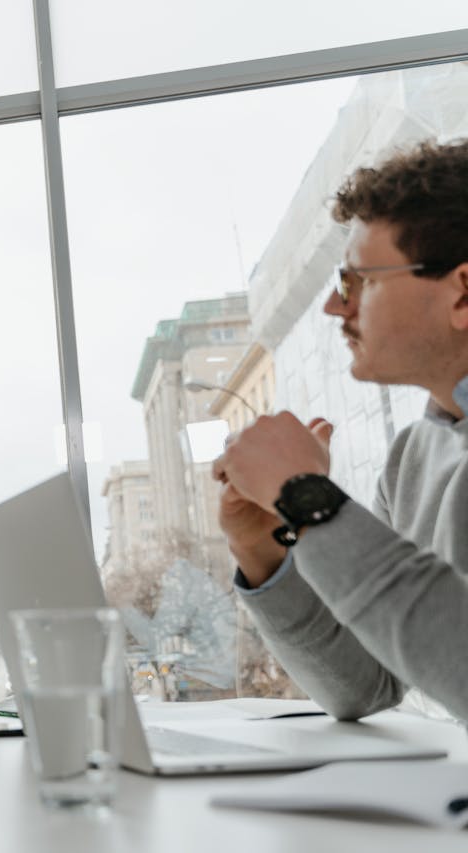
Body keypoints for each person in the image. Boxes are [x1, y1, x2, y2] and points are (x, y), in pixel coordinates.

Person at [211, 139, 468, 722]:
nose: (334, 306)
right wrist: (263, 550)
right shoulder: (414, 456)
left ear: (462, 293)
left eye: (359, 282)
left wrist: (309, 498)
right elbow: (368, 684)